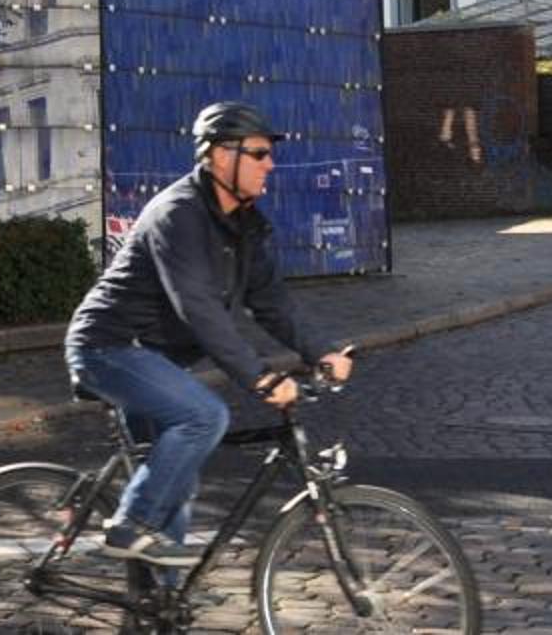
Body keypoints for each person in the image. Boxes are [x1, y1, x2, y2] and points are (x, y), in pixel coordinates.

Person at [63, 101, 351, 568]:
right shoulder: (178, 216)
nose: (270, 164)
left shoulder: (243, 225)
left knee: (176, 483)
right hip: (109, 347)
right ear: (220, 156)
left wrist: (325, 350)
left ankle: (156, 612)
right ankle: (130, 524)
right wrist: (261, 378)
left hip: (156, 360)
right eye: (258, 154)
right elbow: (199, 309)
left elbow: (272, 303)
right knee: (203, 417)